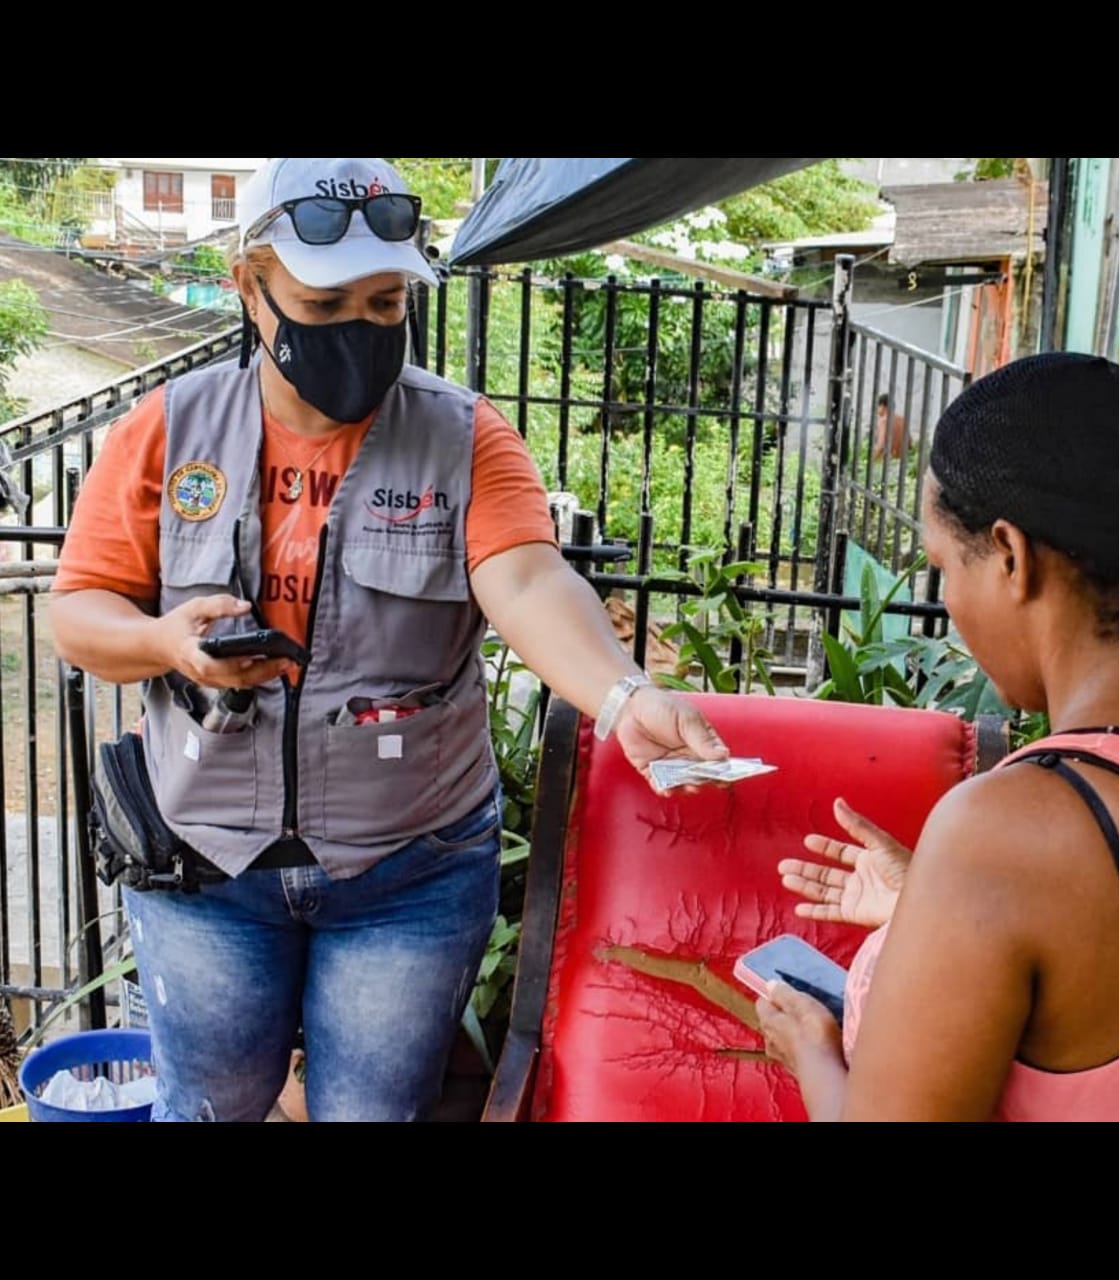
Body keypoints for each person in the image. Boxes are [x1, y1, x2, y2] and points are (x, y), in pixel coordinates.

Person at [48, 157, 729, 1123]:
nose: (361, 331)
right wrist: (166, 642)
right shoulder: (169, 430)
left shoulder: (463, 436)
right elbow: (80, 613)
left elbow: (529, 580)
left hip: (409, 867)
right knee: (208, 1107)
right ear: (250, 288)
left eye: (385, 302)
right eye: (325, 305)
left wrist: (624, 696)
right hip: (207, 862)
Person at [754, 351, 1119, 1122]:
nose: (947, 600)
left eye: (943, 566)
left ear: (1011, 556)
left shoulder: (1004, 835)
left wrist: (813, 1054)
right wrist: (932, 913)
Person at [872, 393, 906, 462]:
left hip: (886, 462)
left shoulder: (884, 420)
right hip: (900, 462)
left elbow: (881, 445)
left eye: (877, 406)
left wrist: (872, 460)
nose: (877, 410)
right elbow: (910, 442)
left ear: (882, 406)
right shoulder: (902, 420)